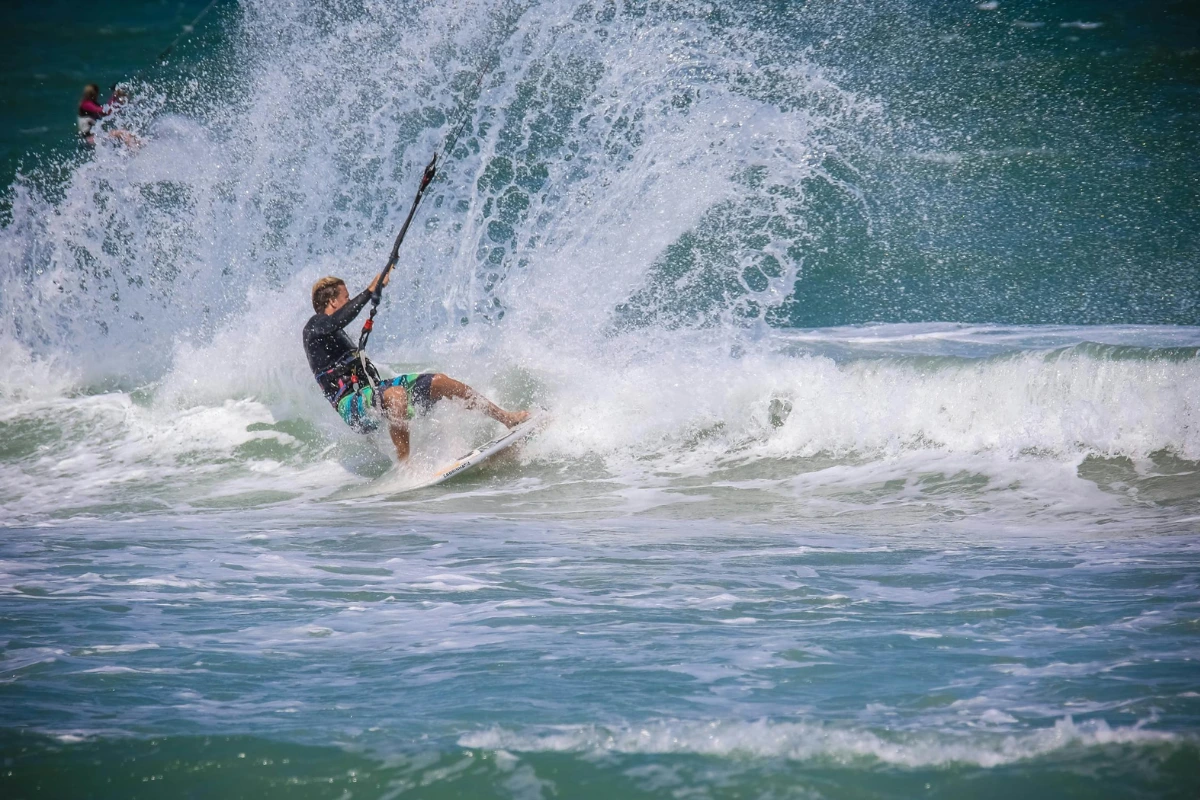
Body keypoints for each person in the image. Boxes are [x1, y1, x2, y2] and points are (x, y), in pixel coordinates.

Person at [303, 273, 529, 461]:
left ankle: (506, 417)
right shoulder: (315, 327)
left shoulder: (333, 330)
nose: (349, 300)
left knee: (439, 382)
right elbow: (337, 320)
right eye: (346, 297)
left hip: (374, 392)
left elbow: (340, 322)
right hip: (351, 406)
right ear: (332, 301)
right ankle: (405, 467)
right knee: (396, 395)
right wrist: (370, 290)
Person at [77, 83, 140, 148]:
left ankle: (138, 147)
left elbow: (107, 112)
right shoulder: (86, 104)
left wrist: (117, 100)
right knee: (122, 133)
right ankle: (136, 151)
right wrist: (114, 96)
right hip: (90, 139)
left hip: (94, 137)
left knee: (126, 133)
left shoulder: (88, 104)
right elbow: (104, 111)